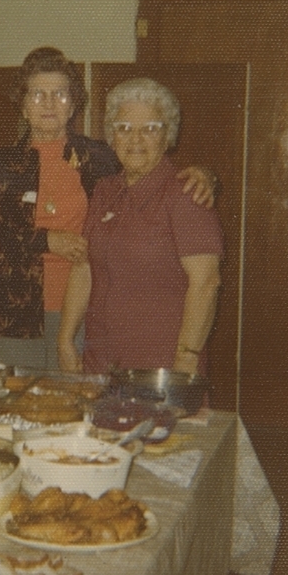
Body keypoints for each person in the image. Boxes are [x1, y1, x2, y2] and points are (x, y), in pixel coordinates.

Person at [0, 47, 215, 374]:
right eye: (38, 95)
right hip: (15, 311)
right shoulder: (2, 164)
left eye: (59, 94)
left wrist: (206, 175)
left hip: (84, 311)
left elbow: (146, 163)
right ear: (24, 106)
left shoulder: (99, 157)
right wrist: (45, 241)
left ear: (73, 104)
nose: (48, 103)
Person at [58, 77, 223, 376]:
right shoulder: (104, 191)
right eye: (124, 128)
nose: (135, 139)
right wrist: (66, 339)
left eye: (150, 129)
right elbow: (83, 267)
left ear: (167, 135)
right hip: (101, 361)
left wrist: (186, 362)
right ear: (111, 135)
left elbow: (206, 283)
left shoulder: (186, 194)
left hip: (160, 366)